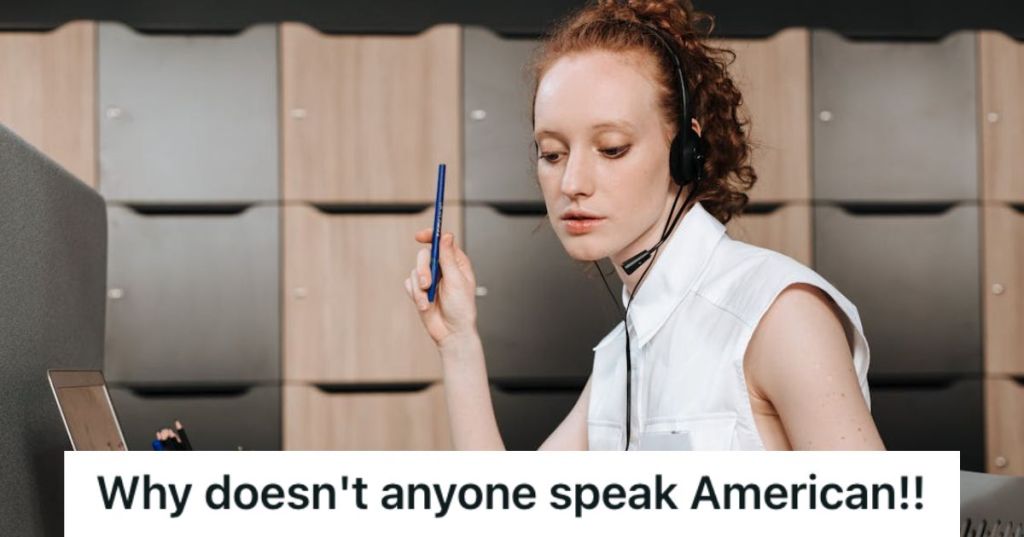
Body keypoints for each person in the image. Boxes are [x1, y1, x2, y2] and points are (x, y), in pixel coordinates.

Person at [404, 0, 885, 451]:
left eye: (611, 148)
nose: (572, 183)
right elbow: (507, 504)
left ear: (685, 152)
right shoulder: (622, 356)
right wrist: (458, 342)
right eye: (552, 154)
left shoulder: (780, 314)